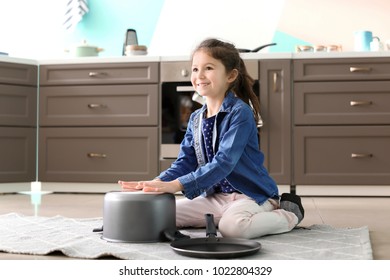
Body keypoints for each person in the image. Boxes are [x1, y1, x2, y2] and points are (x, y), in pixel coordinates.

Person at [118, 38, 304, 239]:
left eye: (208, 68)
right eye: (195, 69)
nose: (199, 76)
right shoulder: (196, 118)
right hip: (215, 198)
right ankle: (220, 218)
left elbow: (224, 162)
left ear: (231, 75)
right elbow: (185, 162)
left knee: (233, 229)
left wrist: (177, 185)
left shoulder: (240, 113)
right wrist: (155, 182)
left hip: (250, 195)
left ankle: (288, 215)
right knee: (156, 214)